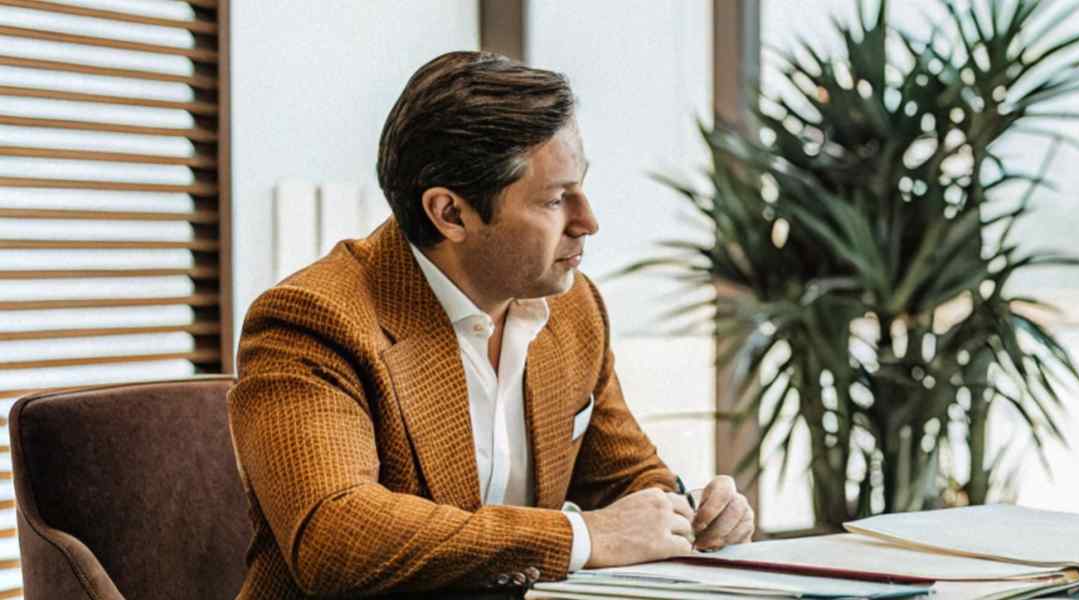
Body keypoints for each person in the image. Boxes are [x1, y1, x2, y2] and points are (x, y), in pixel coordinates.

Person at [229, 51, 754, 598]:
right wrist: (580, 537)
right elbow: (336, 538)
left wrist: (687, 512)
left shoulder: (573, 308)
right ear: (450, 213)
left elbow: (623, 478)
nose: (589, 221)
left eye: (581, 188)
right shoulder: (312, 321)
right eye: (555, 200)